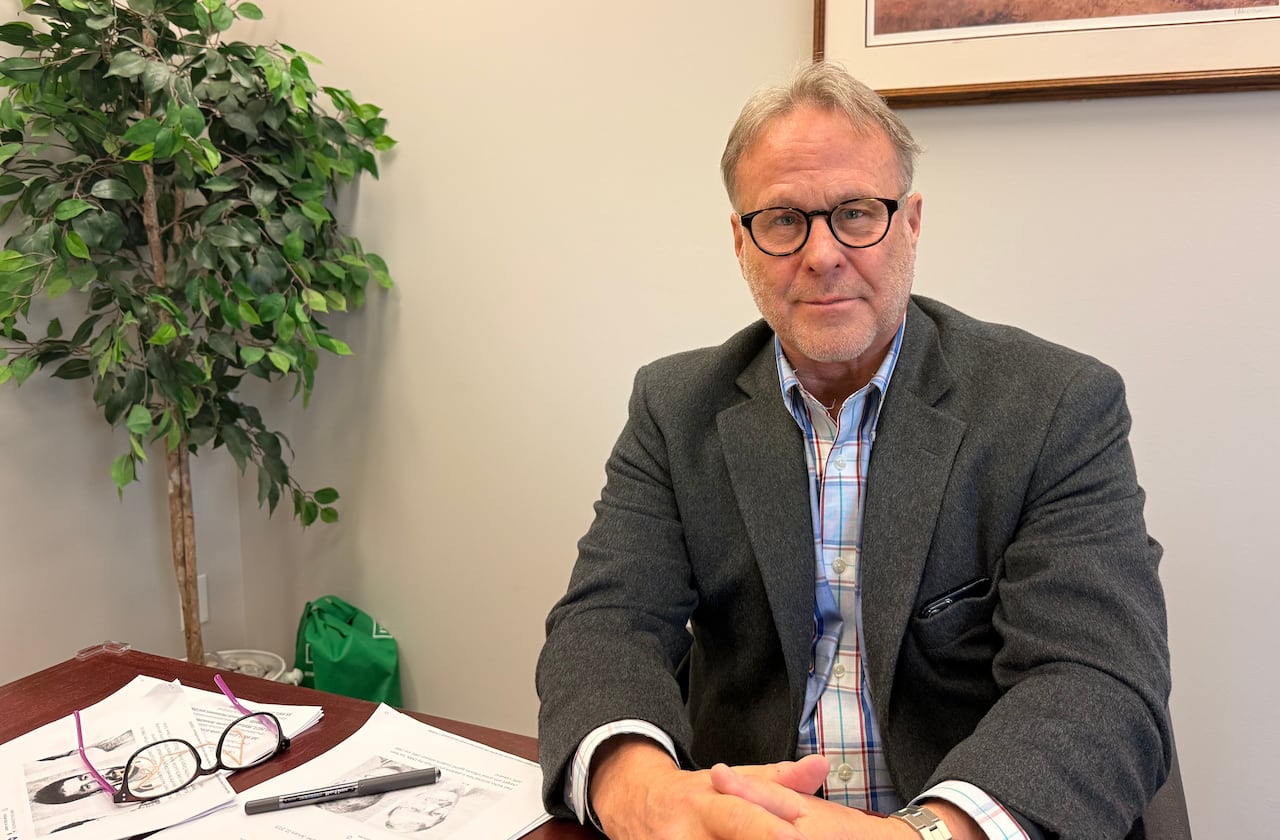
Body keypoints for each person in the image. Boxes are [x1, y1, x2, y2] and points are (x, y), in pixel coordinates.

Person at [535, 62, 1171, 840]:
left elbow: (1095, 680)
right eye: (782, 220)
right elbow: (607, 625)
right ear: (740, 242)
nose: (822, 254)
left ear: (911, 223)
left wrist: (920, 835)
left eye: (857, 214)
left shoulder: (1054, 406)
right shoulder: (675, 408)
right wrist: (645, 795)